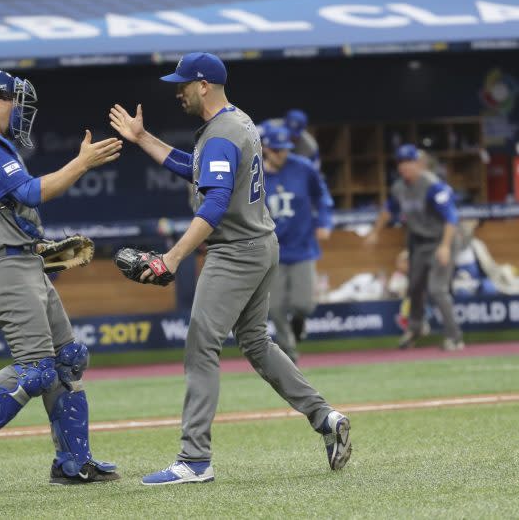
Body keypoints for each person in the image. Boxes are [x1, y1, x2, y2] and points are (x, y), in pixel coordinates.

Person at [109, 52, 351, 485]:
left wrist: (173, 257)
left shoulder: (221, 134)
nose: (176, 90)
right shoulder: (237, 121)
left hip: (236, 251)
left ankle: (194, 460)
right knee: (256, 343)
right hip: (261, 243)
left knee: (201, 346)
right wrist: (143, 137)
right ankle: (325, 417)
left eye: (182, 84)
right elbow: (195, 169)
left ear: (203, 85)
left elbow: (216, 202)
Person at [0, 69, 123, 485]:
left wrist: (32, 244)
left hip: (19, 262)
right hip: (2, 268)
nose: (20, 110)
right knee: (35, 369)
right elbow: (32, 193)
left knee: (68, 360)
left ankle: (73, 463)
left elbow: (9, 209)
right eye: (15, 101)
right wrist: (82, 162)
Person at [365, 144, 464, 351]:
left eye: (408, 162)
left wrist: (445, 247)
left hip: (441, 240)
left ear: (418, 164)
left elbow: (451, 218)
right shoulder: (399, 187)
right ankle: (416, 328)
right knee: (415, 287)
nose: (404, 167)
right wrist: (375, 232)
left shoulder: (432, 185)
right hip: (419, 243)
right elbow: (388, 209)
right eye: (401, 162)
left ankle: (454, 337)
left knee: (437, 289)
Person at [259, 124, 334, 364]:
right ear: (265, 148)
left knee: (305, 305)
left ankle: (299, 322)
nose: (283, 154)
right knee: (275, 307)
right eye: (277, 150)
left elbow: (322, 196)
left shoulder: (304, 168)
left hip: (303, 247)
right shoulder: (254, 175)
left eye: (285, 149)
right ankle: (290, 353)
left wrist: (324, 221)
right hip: (273, 250)